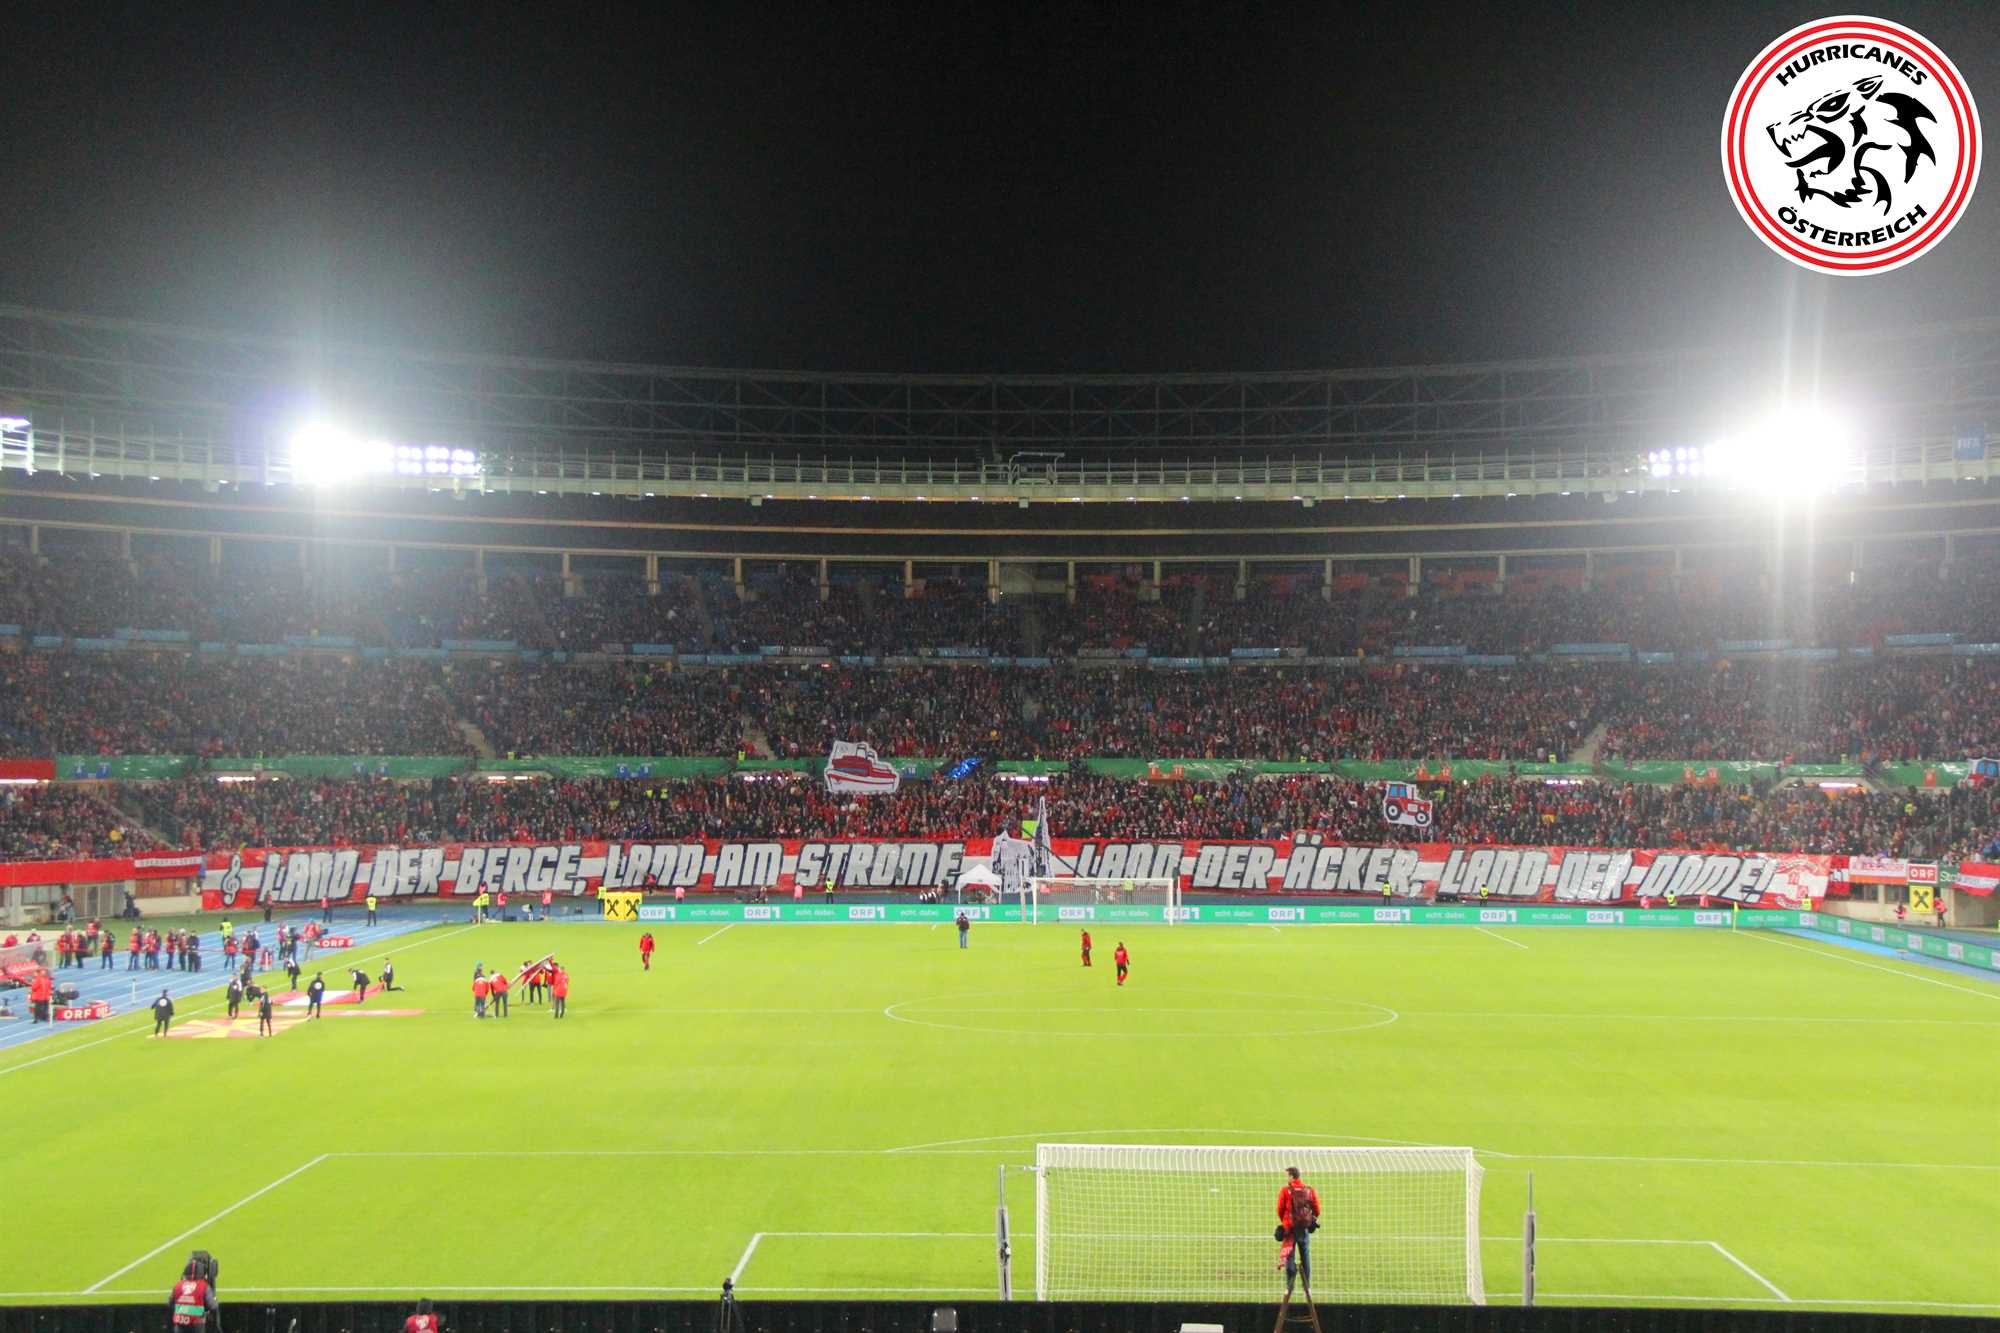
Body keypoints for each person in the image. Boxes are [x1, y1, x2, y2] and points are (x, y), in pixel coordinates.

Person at [1276, 1166, 1321, 1296]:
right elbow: (1317, 1209)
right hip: (1303, 1229)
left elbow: (1280, 1209)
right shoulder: (1309, 1190)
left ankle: (1289, 1287)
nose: (1286, 1178)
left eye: (1287, 1175)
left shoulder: (1285, 1191)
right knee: (1305, 1256)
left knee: (1290, 1257)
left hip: (1289, 1230)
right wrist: (1308, 1219)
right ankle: (1307, 1288)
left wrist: (1285, 1222)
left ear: (1291, 1176)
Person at [168, 1258, 219, 1331]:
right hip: (197, 1324)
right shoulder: (203, 1286)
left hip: (180, 1322)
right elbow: (213, 1306)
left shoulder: (178, 1285)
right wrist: (215, 1300)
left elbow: (170, 1303)